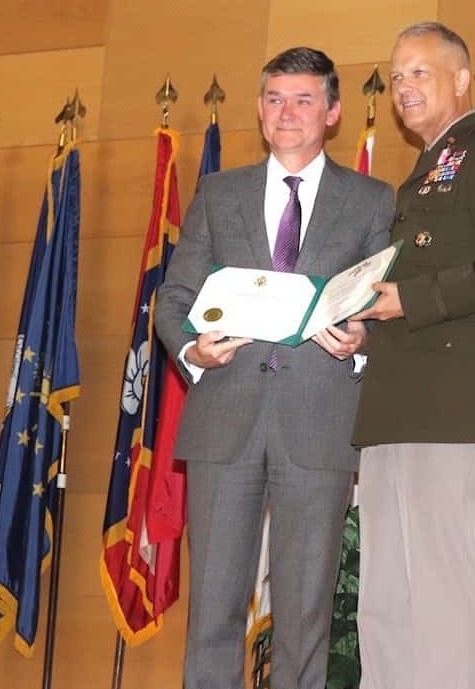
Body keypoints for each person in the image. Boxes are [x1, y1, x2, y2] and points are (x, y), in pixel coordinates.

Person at [156, 46, 394, 689]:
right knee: (212, 610)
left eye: (303, 100)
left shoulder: (372, 200)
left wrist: (361, 338)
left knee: (305, 616)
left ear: (333, 113)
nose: (286, 113)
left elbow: (382, 304)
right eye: (274, 99)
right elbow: (174, 298)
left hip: (319, 425)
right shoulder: (218, 192)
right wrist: (192, 350)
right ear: (260, 110)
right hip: (224, 419)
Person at [350, 22, 475, 689]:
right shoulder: (424, 172)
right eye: (396, 75)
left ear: (463, 80)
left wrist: (407, 299)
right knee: (384, 595)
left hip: (451, 406)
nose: (404, 87)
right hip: (395, 406)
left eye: (420, 72)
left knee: (438, 585)